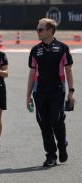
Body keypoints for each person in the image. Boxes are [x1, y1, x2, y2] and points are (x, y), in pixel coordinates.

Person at [27, 18, 75, 167]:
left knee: (56, 121)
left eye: (40, 29)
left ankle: (62, 144)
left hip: (58, 92)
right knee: (44, 125)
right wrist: (28, 95)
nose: (38, 32)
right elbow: (32, 73)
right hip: (39, 93)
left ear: (49, 31)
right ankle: (51, 155)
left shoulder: (63, 48)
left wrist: (71, 92)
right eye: (37, 29)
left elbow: (68, 70)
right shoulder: (35, 50)